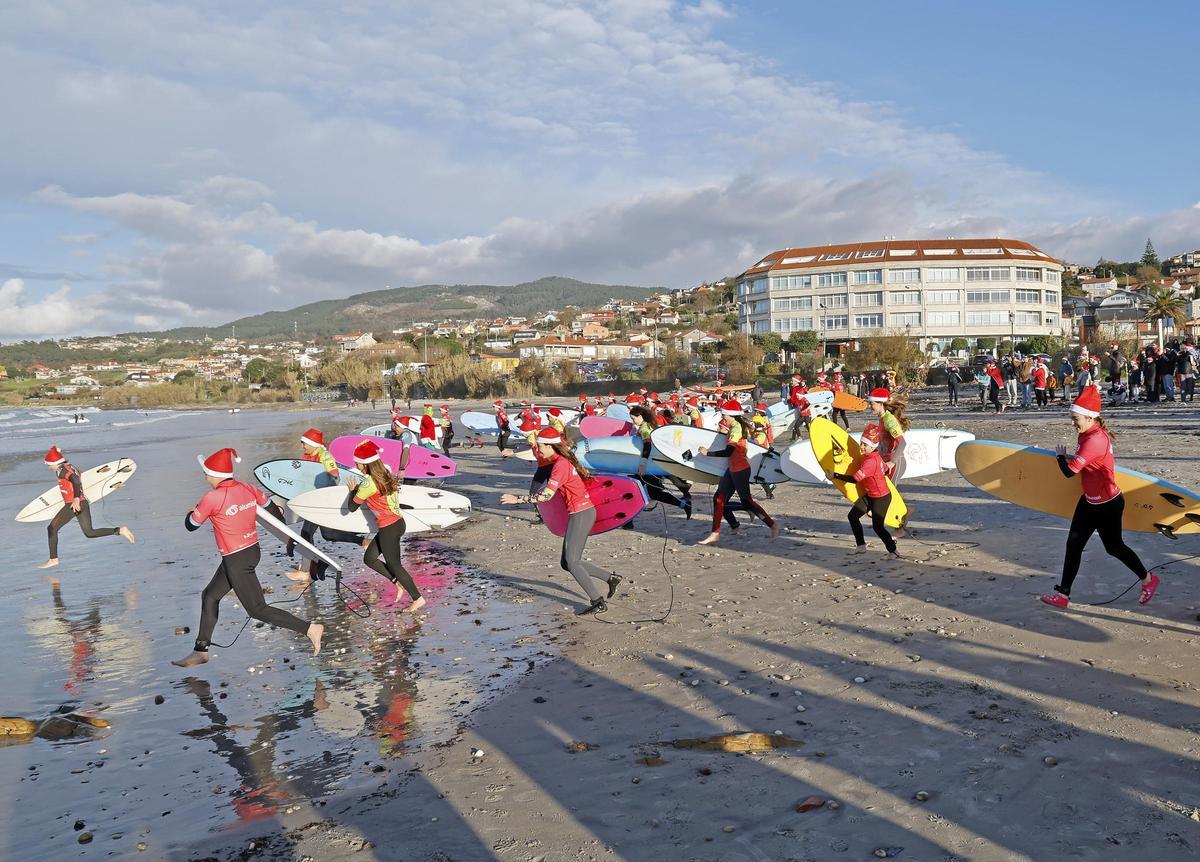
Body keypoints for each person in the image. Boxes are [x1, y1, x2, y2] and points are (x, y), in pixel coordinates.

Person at [173, 448, 323, 668]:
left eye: (206, 473)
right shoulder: (247, 488)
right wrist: (287, 535)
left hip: (237, 559)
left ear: (214, 475)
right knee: (210, 596)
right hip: (251, 551)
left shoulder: (211, 497)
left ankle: (310, 628)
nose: (204, 477)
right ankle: (200, 650)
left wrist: (192, 511)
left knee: (257, 609)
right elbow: (271, 509)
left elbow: (191, 525)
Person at [1040, 387, 1157, 609]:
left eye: (1075, 418)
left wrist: (1059, 457)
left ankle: (1148, 579)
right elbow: (1088, 464)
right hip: (1089, 501)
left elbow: (1070, 472)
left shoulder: (1094, 440)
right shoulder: (1086, 434)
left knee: (1114, 548)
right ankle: (1063, 595)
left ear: (1090, 416)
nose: (1073, 422)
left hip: (1107, 505)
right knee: (1073, 545)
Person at [500, 427, 621, 615]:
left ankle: (598, 602)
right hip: (579, 513)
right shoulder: (559, 462)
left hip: (582, 513)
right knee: (567, 563)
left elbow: (546, 495)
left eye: (540, 448)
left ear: (551, 446)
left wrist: (518, 500)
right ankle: (610, 578)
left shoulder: (560, 465)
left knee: (572, 563)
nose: (538, 452)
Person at [347, 440, 426, 612]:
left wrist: (352, 490)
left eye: (357, 462)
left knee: (395, 564)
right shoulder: (386, 474)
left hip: (389, 527)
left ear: (364, 463)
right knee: (369, 559)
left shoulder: (368, 484)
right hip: (397, 523)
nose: (356, 465)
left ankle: (417, 598)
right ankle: (397, 582)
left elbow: (352, 507)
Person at [696, 399, 779, 546]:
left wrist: (707, 453)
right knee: (718, 499)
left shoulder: (736, 429)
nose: (723, 417)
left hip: (740, 470)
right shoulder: (735, 425)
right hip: (732, 469)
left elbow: (729, 451)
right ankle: (715, 533)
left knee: (747, 501)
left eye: (724, 414)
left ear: (731, 415)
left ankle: (772, 525)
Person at [39, 446, 135, 569]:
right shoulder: (71, 467)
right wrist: (112, 483)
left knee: (51, 528)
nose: (49, 467)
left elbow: (76, 481)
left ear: (55, 463)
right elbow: (85, 478)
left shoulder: (63, 470)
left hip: (73, 504)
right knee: (89, 532)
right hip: (83, 503)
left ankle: (53, 559)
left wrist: (76, 498)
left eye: (49, 465)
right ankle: (120, 530)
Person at [827, 424, 899, 559]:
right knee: (853, 516)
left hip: (881, 498)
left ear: (873, 446)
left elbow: (855, 479)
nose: (861, 446)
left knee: (878, 527)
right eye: (861, 443)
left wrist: (835, 475)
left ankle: (893, 551)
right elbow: (885, 470)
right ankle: (861, 546)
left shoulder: (870, 462)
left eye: (865, 445)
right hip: (871, 495)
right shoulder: (874, 456)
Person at [630, 405, 692, 518]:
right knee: (649, 491)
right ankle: (684, 502)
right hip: (652, 462)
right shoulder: (650, 424)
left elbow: (647, 446)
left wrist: (643, 463)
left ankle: (628, 520)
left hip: (648, 465)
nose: (633, 421)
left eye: (634, 418)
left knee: (636, 489)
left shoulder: (644, 428)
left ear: (640, 416)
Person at [867, 388, 910, 480]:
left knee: (888, 493)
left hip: (895, 463)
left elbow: (902, 443)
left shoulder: (889, 420)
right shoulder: (882, 418)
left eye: (872, 404)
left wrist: (892, 462)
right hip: (886, 462)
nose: (870, 406)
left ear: (881, 404)